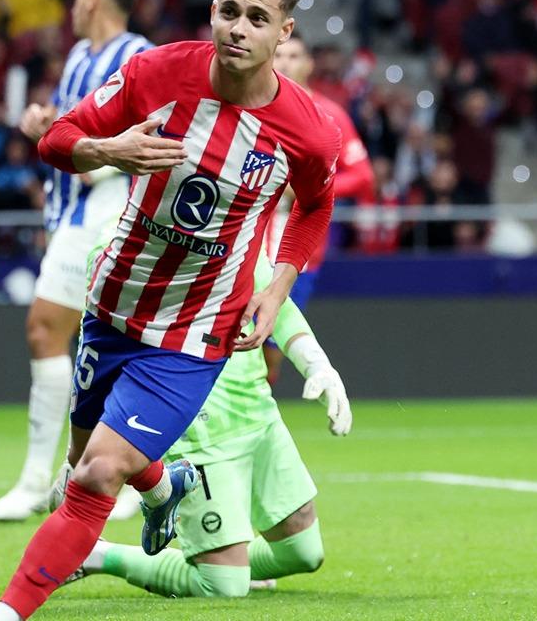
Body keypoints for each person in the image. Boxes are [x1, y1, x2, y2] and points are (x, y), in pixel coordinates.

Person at [0, 0, 339, 618]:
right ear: (213, 11)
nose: (239, 27)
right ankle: (162, 485)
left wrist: (279, 283)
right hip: (112, 308)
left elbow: (316, 208)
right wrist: (107, 149)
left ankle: (5, 614)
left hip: (192, 335)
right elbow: (58, 137)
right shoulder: (157, 73)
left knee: (94, 478)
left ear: (283, 33)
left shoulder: (305, 133)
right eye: (229, 11)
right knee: (77, 476)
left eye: (257, 18)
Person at [63, 253, 352, 597]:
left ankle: (232, 565)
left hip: (258, 415)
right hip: (197, 431)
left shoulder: (239, 236)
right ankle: (100, 556)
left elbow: (279, 305)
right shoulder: (130, 243)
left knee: (304, 552)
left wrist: (319, 366)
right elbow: (101, 340)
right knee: (223, 588)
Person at [0, 0, 152, 522]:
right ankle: (42, 479)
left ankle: (123, 475)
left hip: (115, 206)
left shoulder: (139, 55)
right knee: (51, 331)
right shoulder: (80, 58)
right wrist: (45, 123)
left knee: (110, 340)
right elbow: (72, 125)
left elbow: (148, 135)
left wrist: (72, 142)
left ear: (96, 1)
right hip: (73, 211)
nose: (71, 8)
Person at [264, 32, 374, 381]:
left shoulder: (329, 114)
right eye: (279, 55)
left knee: (270, 353)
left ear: (309, 65)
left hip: (298, 253)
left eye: (294, 56)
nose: (285, 63)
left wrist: (308, 190)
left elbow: (362, 175)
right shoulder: (249, 107)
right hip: (244, 246)